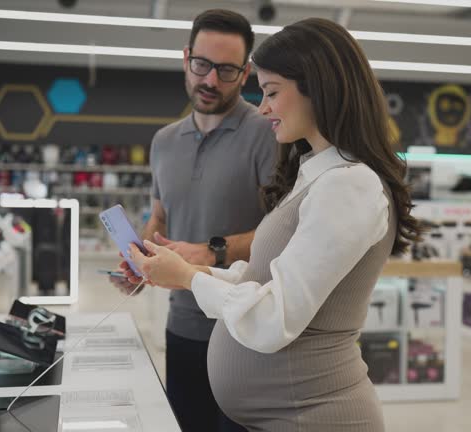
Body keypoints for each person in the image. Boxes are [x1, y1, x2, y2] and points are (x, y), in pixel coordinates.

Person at [124, 17, 422, 432]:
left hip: (314, 418)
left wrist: (192, 279)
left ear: (318, 89)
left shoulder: (348, 185)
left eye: (272, 93)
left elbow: (274, 317)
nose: (262, 108)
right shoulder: (316, 172)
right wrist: (190, 272)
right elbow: (265, 279)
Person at [109, 9, 277, 432]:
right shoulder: (164, 141)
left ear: (246, 73)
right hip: (181, 325)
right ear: (186, 57)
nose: (210, 81)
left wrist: (211, 251)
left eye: (226, 70)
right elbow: (161, 214)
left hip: (244, 328)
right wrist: (140, 259)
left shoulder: (269, 134)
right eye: (202, 65)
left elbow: (284, 231)